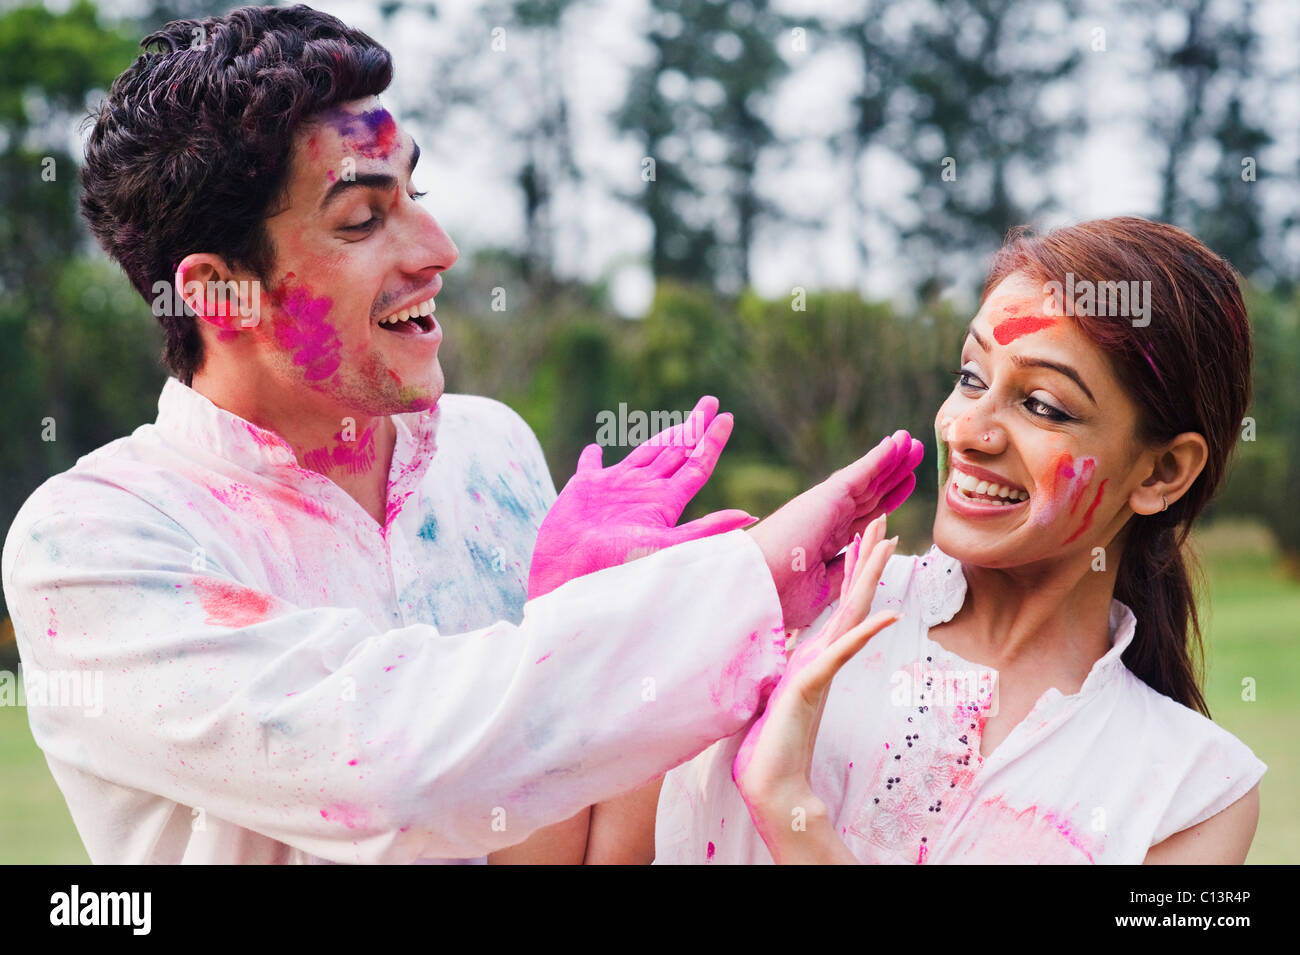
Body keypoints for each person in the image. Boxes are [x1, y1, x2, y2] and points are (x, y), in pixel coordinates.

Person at [0, 5, 923, 864]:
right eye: (363, 219)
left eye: (415, 192)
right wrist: (737, 583)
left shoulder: (492, 454)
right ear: (219, 293)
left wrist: (596, 601)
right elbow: (382, 762)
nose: (437, 248)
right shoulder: (91, 543)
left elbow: (571, 843)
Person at [578, 217, 1267, 864]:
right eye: (971, 376)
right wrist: (578, 613)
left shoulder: (1196, 794)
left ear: (1162, 471)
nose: (968, 429)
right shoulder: (793, 610)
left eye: (1042, 405)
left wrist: (794, 813)